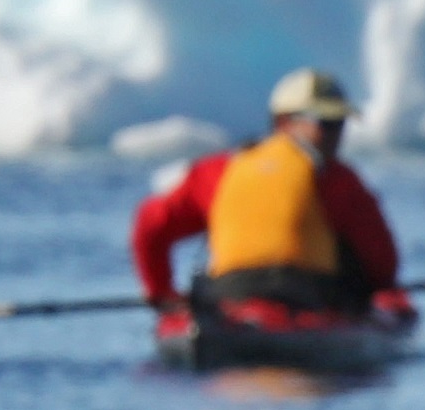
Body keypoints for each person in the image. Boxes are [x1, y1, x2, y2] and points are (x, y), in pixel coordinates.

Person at [129, 68, 409, 325]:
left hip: (229, 300)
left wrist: (160, 295)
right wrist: (378, 298)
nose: (333, 135)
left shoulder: (217, 171)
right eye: (322, 122)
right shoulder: (338, 179)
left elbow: (149, 224)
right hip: (309, 300)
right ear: (284, 121)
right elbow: (383, 264)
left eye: (338, 123)